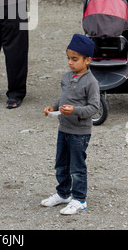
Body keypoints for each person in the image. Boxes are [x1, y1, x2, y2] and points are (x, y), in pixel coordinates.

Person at [41, 34, 100, 215]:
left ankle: (79, 199)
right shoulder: (67, 77)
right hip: (63, 129)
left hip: (79, 133)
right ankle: (63, 193)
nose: (70, 63)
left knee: (77, 167)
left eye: (75, 59)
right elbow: (65, 98)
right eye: (68, 58)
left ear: (87, 60)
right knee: (61, 164)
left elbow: (94, 108)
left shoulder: (91, 82)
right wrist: (54, 106)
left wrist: (74, 110)